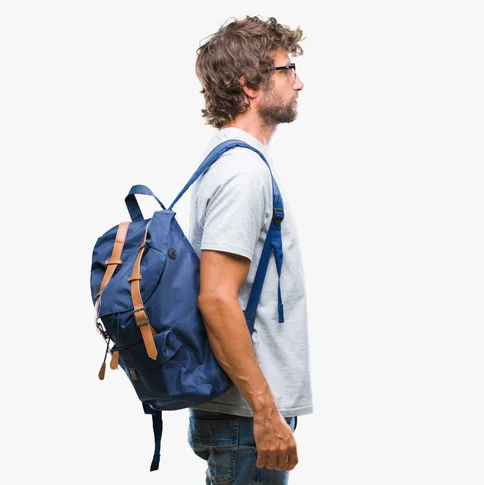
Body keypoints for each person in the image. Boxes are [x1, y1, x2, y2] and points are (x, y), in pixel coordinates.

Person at [187, 16, 313, 484]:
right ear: (249, 85)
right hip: (246, 422)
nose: (298, 83)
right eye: (286, 70)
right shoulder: (242, 173)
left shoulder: (232, 162)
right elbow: (217, 298)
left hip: (243, 419)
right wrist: (264, 412)